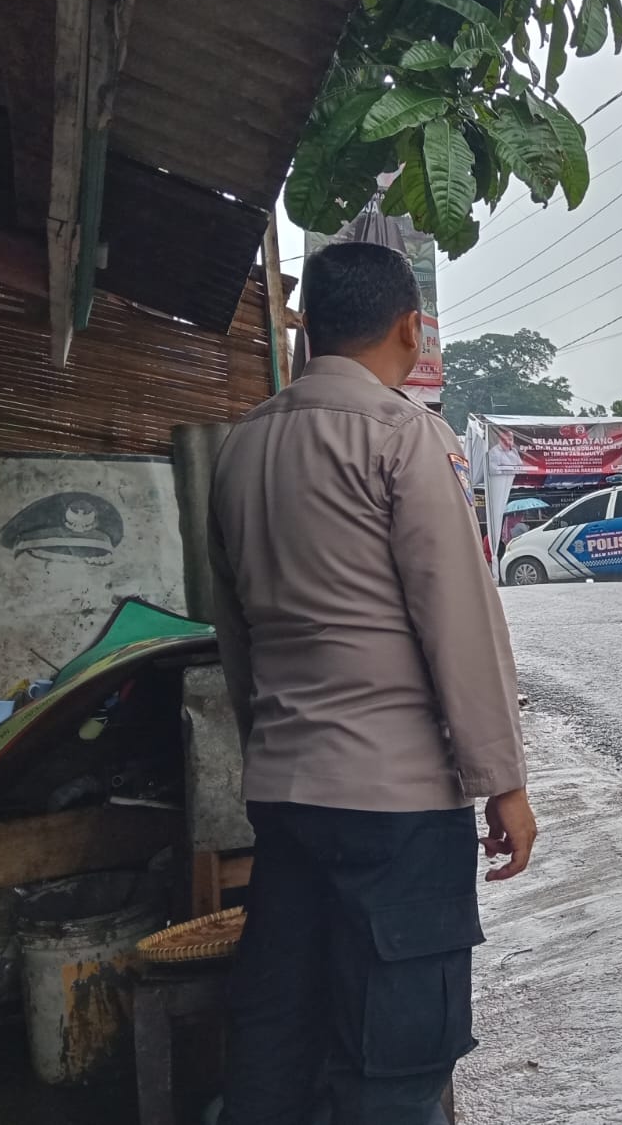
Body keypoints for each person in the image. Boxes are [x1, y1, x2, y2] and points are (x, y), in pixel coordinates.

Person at [208, 242, 537, 1125]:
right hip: (396, 808)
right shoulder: (403, 435)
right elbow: (458, 620)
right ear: (410, 329)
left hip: (285, 797)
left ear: (307, 329)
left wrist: (268, 748)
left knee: (280, 1043)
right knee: (393, 1060)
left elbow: (234, 635)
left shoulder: (240, 447)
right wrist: (503, 781)